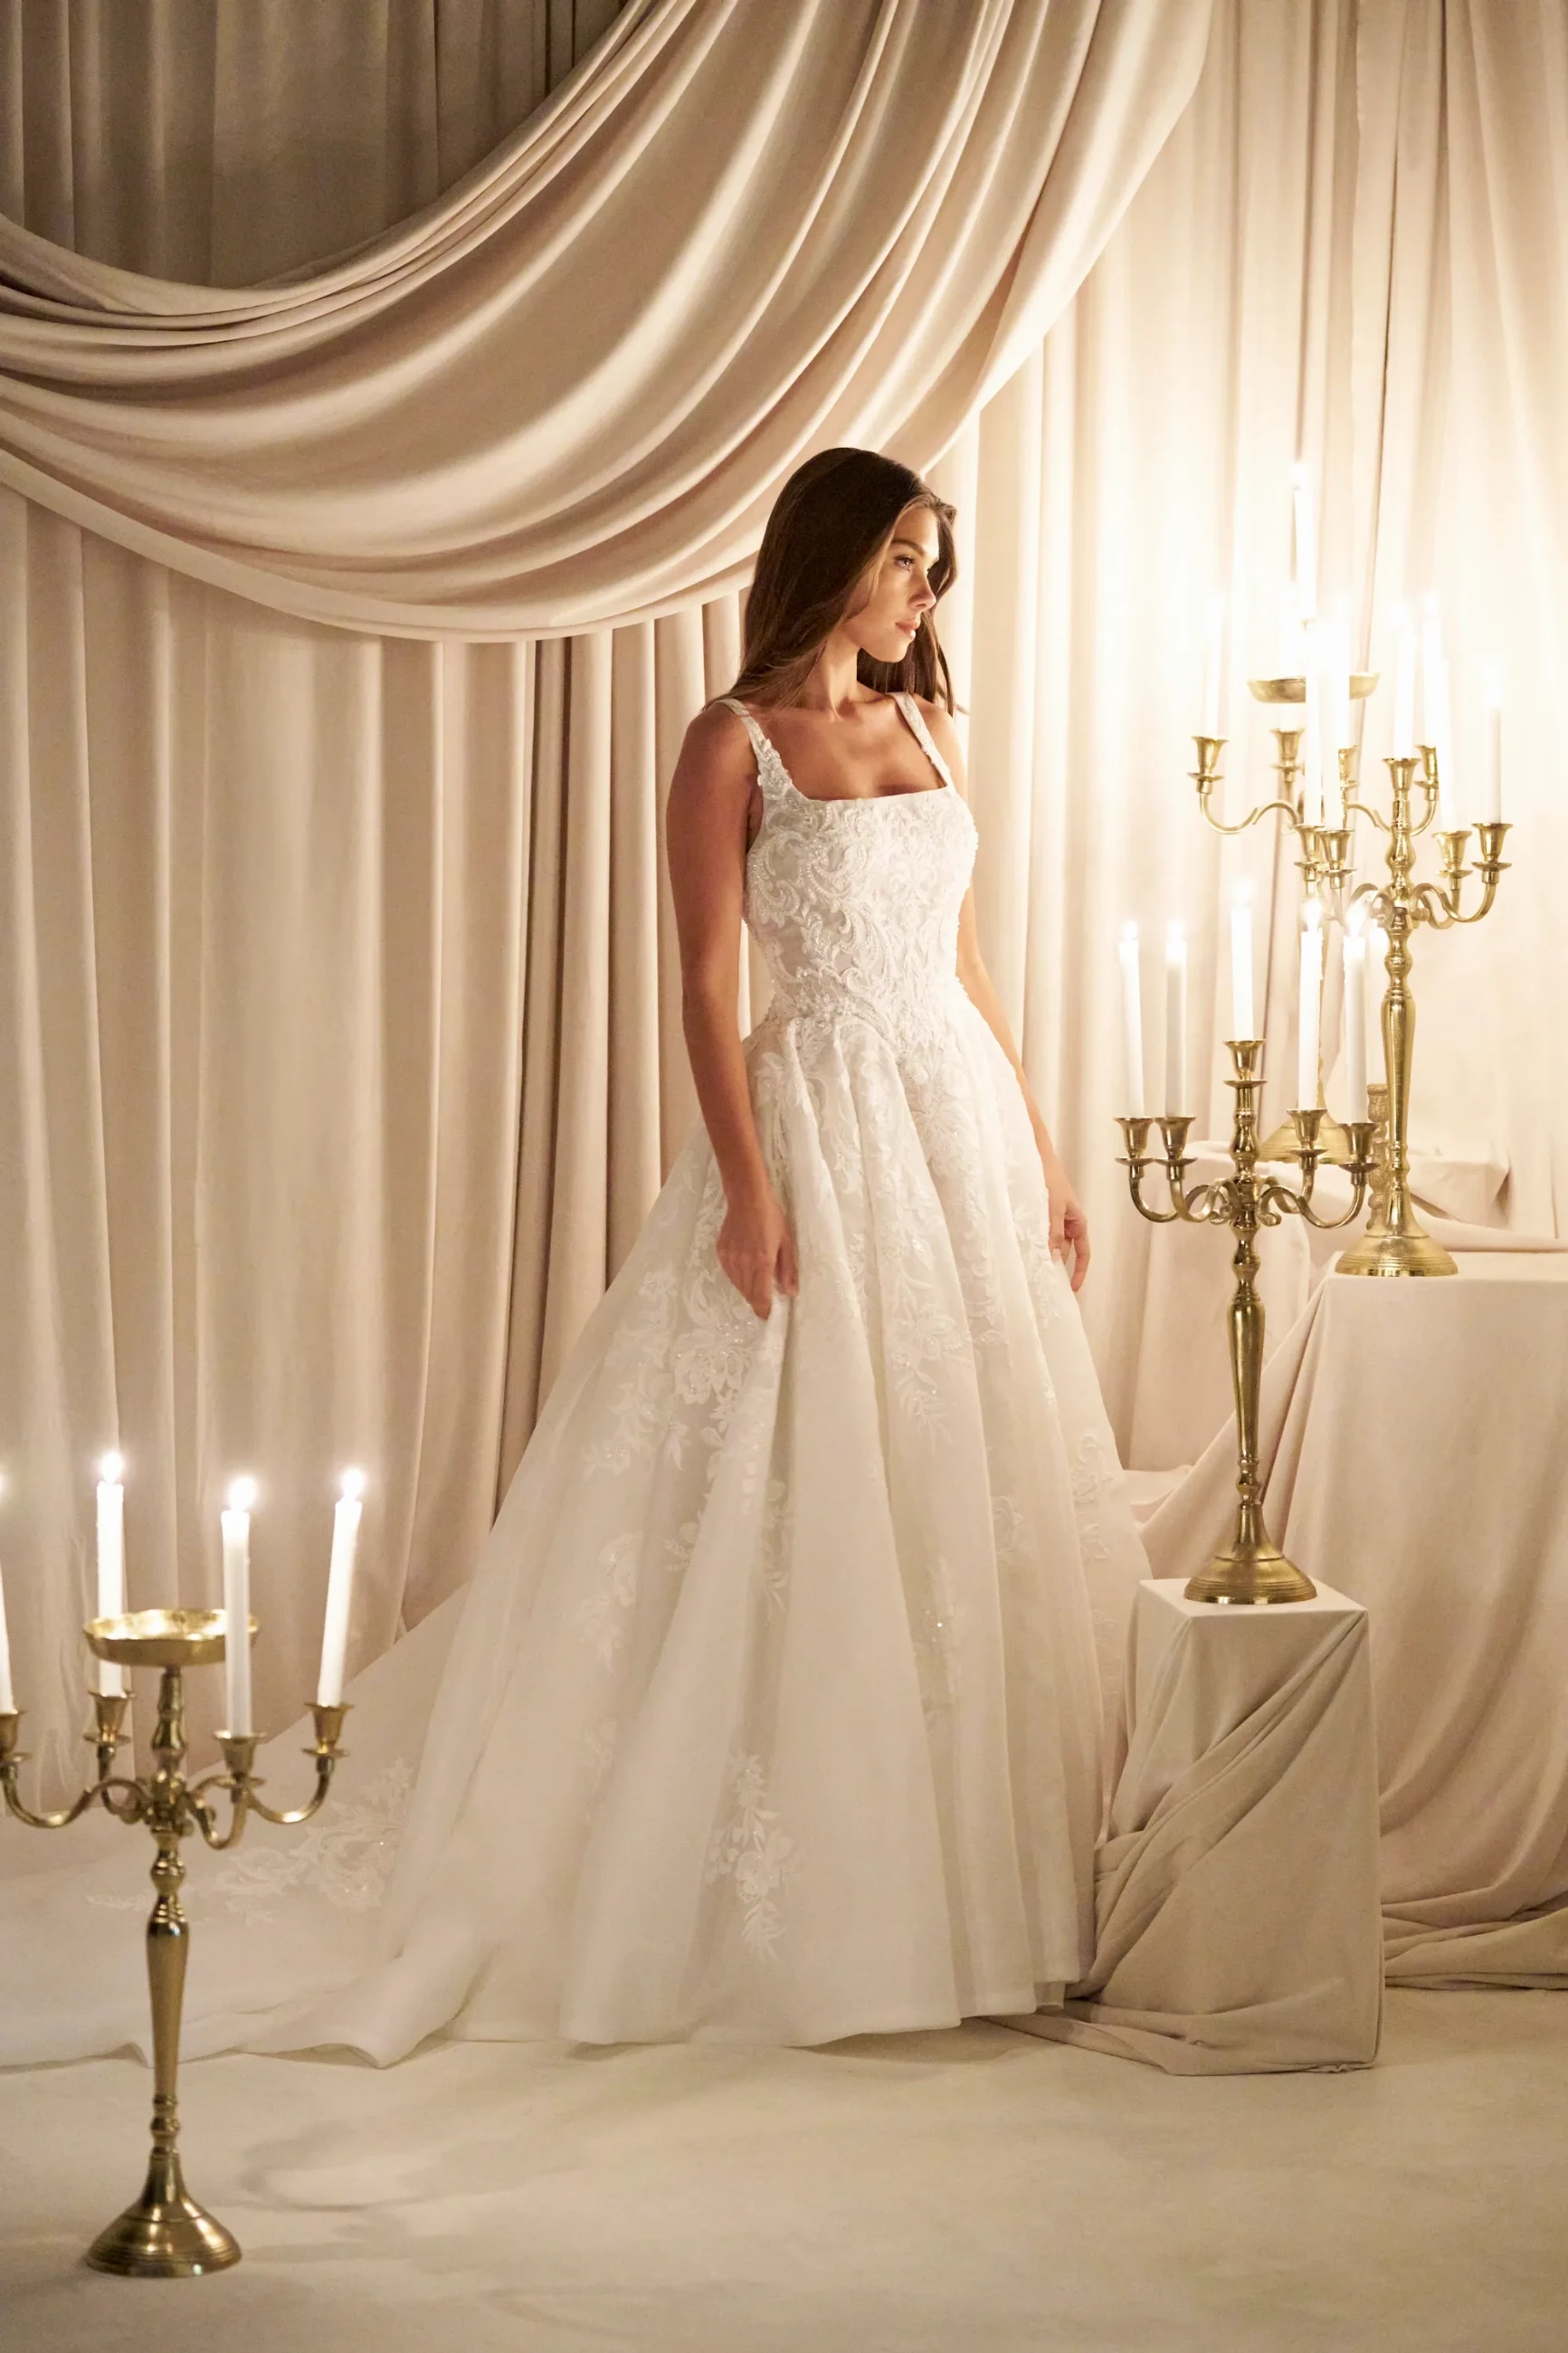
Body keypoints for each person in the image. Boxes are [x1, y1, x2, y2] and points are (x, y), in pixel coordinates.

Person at [0, 449, 1148, 2066]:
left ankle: (980, 1884)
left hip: (950, 1124)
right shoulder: (729, 742)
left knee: (956, 1491)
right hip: (814, 1117)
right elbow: (696, 984)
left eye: (937, 566)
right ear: (832, 559)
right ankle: (760, 1897)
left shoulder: (925, 730)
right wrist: (750, 1195)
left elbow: (966, 966)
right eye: (904, 557)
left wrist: (1038, 1144)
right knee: (778, 1480)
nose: (925, 592)